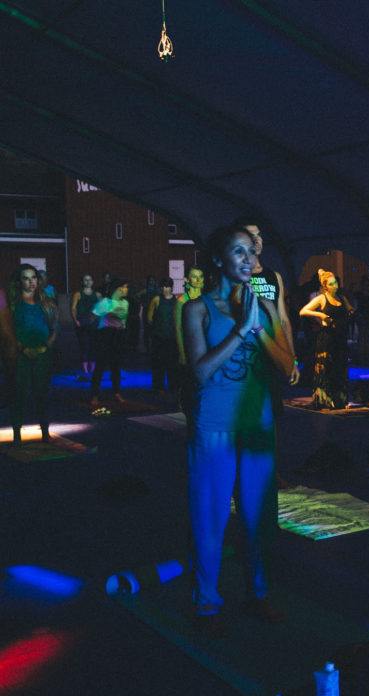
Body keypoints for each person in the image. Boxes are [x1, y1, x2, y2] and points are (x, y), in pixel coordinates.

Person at [182, 226, 294, 633]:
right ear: (217, 260)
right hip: (214, 427)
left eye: (251, 252)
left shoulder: (262, 306)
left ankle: (258, 594)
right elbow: (199, 373)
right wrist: (240, 330)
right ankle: (207, 601)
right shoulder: (197, 309)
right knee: (209, 518)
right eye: (238, 252)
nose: (248, 260)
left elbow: (287, 367)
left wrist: (259, 324)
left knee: (259, 519)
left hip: (258, 428)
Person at [237, 220, 300, 387]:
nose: (257, 239)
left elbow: (284, 320)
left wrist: (291, 359)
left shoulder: (274, 276)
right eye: (251, 235)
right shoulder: (238, 276)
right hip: (248, 355)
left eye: (259, 235)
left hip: (273, 353)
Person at [9, 264, 59, 445]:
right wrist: (22, 348)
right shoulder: (14, 304)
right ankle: (16, 434)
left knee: (42, 394)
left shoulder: (46, 302)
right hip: (22, 355)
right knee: (20, 394)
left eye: (33, 278)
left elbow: (54, 327)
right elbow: (9, 331)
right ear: (20, 281)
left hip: (42, 355)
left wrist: (47, 345)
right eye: (26, 278)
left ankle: (45, 432)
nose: (31, 282)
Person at [300, 269, 353, 409]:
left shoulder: (341, 298)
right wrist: (321, 316)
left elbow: (349, 310)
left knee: (339, 367)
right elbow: (303, 311)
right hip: (327, 339)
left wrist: (350, 312)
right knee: (326, 369)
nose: (335, 286)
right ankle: (325, 399)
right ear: (325, 286)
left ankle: (339, 398)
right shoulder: (321, 298)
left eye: (335, 283)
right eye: (331, 284)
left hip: (340, 339)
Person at [89, 279, 130, 406]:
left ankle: (117, 392)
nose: (126, 289)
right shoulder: (105, 303)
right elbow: (92, 317)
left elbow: (123, 320)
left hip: (118, 335)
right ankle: (95, 395)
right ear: (117, 289)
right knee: (100, 365)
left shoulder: (125, 303)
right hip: (105, 335)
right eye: (124, 287)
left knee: (116, 365)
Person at [175, 267, 205, 422]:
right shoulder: (182, 300)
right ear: (188, 280)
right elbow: (178, 328)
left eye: (200, 276)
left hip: (204, 347)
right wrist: (182, 353)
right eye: (194, 277)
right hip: (188, 346)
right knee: (189, 381)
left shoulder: (206, 298)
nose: (198, 280)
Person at [147, 277, 179, 394]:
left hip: (171, 337)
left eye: (168, 287)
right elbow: (149, 317)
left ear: (172, 287)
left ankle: (173, 385)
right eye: (164, 287)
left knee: (172, 363)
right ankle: (158, 386)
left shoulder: (176, 300)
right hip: (159, 337)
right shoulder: (156, 299)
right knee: (158, 363)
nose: (165, 289)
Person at [70, 274, 101, 379]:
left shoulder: (97, 295)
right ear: (82, 282)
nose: (88, 282)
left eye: (90, 279)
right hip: (82, 324)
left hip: (94, 325)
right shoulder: (78, 294)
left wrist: (99, 319)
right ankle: (85, 371)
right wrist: (76, 320)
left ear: (92, 282)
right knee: (84, 346)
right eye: (85, 280)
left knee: (94, 347)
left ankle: (92, 371)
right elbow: (73, 308)